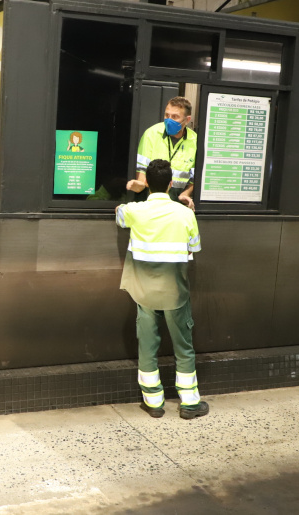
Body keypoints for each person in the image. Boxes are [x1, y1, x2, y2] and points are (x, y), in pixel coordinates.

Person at [116, 159, 208, 420]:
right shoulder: (185, 214)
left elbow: (119, 214)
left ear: (147, 183)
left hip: (143, 292)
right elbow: (194, 247)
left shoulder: (135, 210)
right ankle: (189, 403)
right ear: (170, 184)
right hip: (174, 293)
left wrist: (127, 200)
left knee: (147, 345)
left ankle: (153, 402)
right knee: (183, 346)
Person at [127, 96, 197, 211]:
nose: (169, 120)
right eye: (167, 115)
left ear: (187, 120)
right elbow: (141, 176)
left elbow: (195, 178)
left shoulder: (195, 141)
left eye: (175, 117)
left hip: (177, 206)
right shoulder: (151, 134)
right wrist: (138, 185)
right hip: (151, 205)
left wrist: (186, 194)